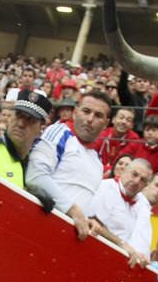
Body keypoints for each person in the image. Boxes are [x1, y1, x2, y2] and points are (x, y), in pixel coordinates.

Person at [25, 90, 113, 240]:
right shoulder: (59, 132)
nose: (90, 119)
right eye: (86, 111)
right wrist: (72, 209)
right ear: (75, 112)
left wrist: (85, 218)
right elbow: (35, 176)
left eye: (98, 115)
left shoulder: (98, 161)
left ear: (105, 124)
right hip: (39, 228)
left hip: (68, 240)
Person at [0, 88, 51, 189]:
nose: (21, 124)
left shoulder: (34, 160)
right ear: (10, 117)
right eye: (18, 115)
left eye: (31, 119)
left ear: (41, 129)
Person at [85, 157, 153, 267]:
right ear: (124, 171)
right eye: (134, 174)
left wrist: (139, 253)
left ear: (146, 186)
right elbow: (94, 223)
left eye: (143, 180)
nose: (136, 181)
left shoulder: (141, 203)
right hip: (92, 253)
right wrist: (122, 244)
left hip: (113, 261)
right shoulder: (107, 187)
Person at [94, 106, 138, 172]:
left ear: (132, 125)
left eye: (128, 120)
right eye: (121, 118)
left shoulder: (133, 139)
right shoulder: (102, 134)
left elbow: (120, 165)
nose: (123, 122)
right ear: (113, 119)